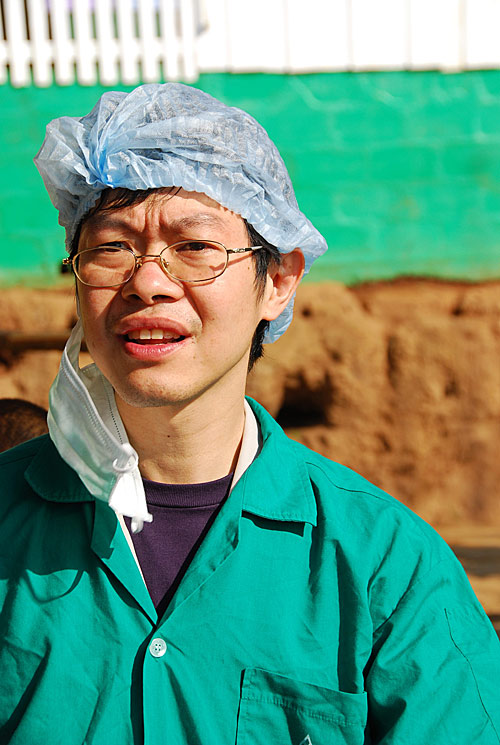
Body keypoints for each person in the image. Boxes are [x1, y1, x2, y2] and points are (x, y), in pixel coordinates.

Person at [0, 83, 498, 745]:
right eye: (112, 247)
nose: (147, 281)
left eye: (195, 247)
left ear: (279, 280)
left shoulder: (385, 567)